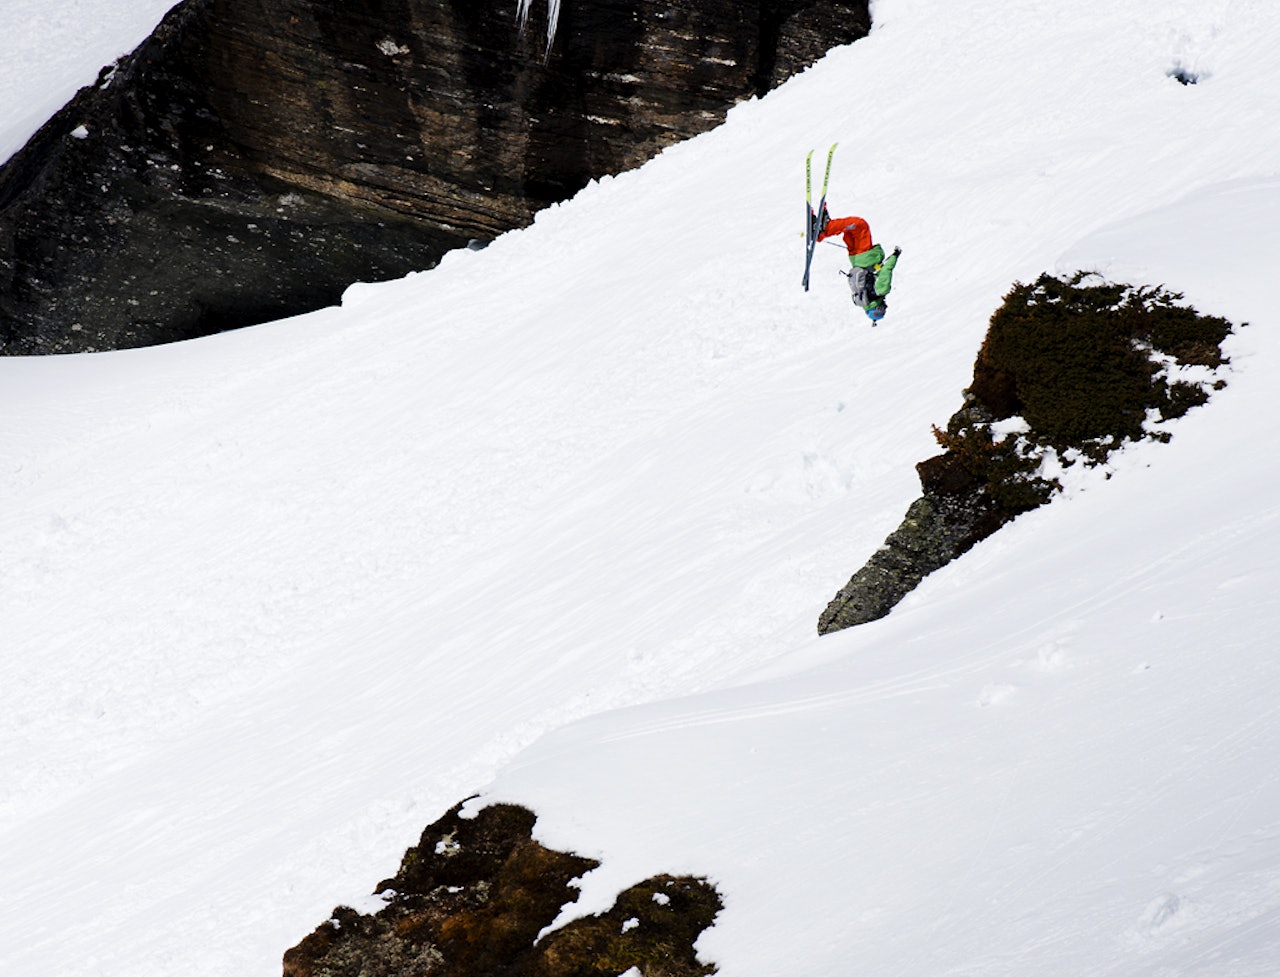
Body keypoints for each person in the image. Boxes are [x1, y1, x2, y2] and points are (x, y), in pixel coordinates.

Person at [817, 214, 901, 322]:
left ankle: (825, 229)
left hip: (865, 256)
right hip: (855, 259)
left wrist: (895, 256)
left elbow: (886, 270)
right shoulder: (862, 299)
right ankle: (826, 225)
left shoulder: (881, 290)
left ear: (878, 308)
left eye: (884, 309)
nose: (885, 305)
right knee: (849, 231)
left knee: (860, 225)